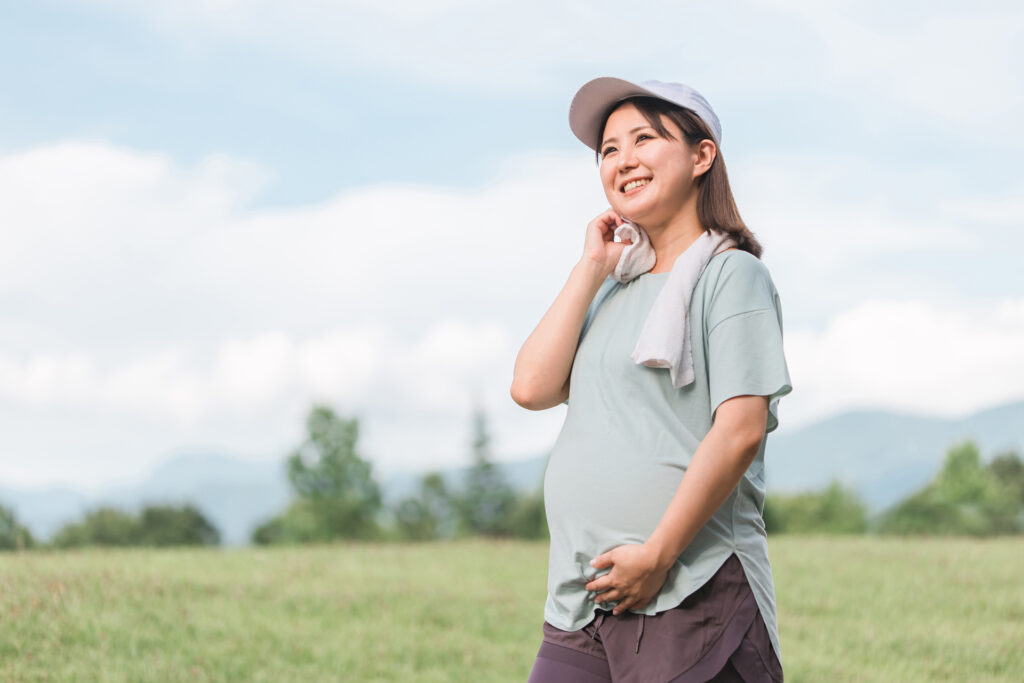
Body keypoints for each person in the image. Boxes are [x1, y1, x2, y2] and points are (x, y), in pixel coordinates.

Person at [511, 77, 793, 682]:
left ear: (701, 156)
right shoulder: (613, 286)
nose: (623, 160)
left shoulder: (730, 276)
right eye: (609, 149)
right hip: (582, 597)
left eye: (643, 138)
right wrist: (592, 265)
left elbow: (739, 431)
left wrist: (658, 555)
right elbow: (532, 388)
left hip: (692, 587)